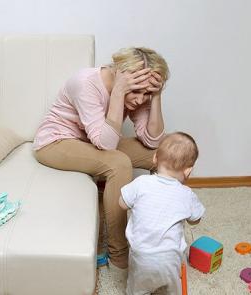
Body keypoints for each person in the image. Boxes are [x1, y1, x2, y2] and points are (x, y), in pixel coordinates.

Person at [33, 47, 170, 269]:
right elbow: (105, 144)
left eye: (146, 93)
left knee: (165, 154)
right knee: (119, 163)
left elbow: (152, 141)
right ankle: (118, 253)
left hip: (92, 141)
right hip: (55, 143)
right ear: (120, 75)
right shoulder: (85, 82)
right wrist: (117, 93)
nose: (138, 100)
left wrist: (155, 97)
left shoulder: (139, 92)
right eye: (136, 92)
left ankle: (160, 230)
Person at [119, 132, 206, 295]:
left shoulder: (141, 183)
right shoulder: (186, 194)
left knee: (137, 289)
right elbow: (196, 219)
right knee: (173, 288)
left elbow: (121, 203)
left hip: (141, 257)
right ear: (188, 171)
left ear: (154, 159)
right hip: (170, 260)